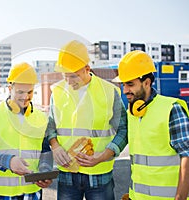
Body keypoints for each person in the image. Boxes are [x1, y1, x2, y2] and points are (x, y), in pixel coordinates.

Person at [81, 50, 189, 200]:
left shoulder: (171, 109)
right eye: (123, 84)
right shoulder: (133, 113)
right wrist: (99, 158)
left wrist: (180, 198)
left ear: (147, 83)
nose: (125, 90)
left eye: (130, 84)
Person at [46, 40, 128, 200]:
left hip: (99, 173)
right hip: (67, 173)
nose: (69, 81)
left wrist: (103, 155)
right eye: (65, 76)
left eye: (73, 76)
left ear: (87, 69)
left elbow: (124, 129)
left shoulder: (109, 91)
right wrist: (55, 146)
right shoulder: (57, 91)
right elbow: (50, 125)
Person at [0, 62, 53, 200]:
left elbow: (45, 150)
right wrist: (8, 161)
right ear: (10, 88)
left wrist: (45, 171)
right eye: (20, 92)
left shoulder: (41, 118)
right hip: (3, 194)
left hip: (32, 191)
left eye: (29, 92)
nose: (25, 97)